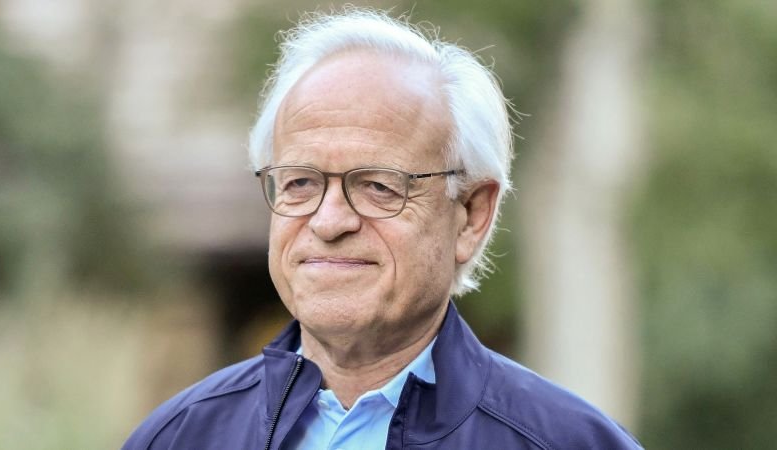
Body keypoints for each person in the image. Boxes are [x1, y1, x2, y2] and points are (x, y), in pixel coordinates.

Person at [123, 8, 643, 450]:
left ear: (471, 214)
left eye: (377, 186)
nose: (329, 221)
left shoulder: (568, 443)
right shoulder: (177, 437)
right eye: (300, 183)